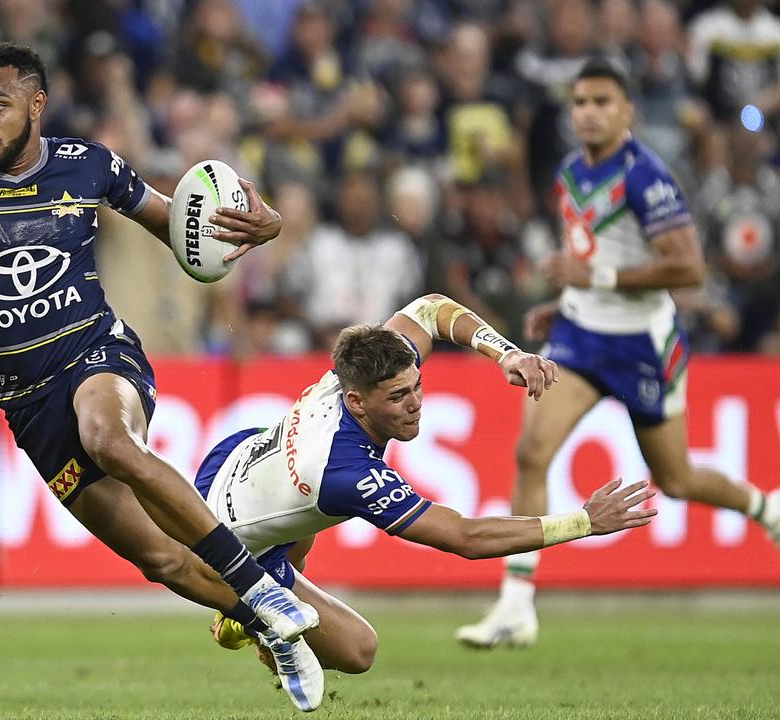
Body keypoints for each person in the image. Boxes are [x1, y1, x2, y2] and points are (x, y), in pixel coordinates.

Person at [0, 42, 322, 708]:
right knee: (161, 560)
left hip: (97, 352)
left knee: (110, 439)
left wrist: (255, 227)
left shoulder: (89, 165)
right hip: (29, 403)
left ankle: (257, 586)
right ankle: (273, 626)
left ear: (36, 106)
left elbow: (187, 234)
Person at [456, 58, 780, 649]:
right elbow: (591, 252)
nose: (588, 112)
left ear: (627, 111)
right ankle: (515, 605)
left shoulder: (646, 176)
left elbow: (688, 266)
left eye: (602, 101)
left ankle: (765, 506)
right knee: (531, 451)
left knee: (676, 479)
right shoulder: (569, 172)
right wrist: (568, 299)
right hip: (581, 337)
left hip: (640, 347)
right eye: (580, 102)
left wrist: (593, 278)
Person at [201, 293, 656, 710]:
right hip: (229, 543)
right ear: (357, 402)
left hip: (234, 461)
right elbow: (464, 537)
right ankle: (256, 619)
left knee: (306, 521)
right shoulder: (347, 471)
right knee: (360, 650)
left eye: (416, 386)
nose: (416, 403)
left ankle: (255, 610)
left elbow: (429, 309)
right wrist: (582, 522)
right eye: (399, 397)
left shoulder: (359, 373)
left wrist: (507, 353)